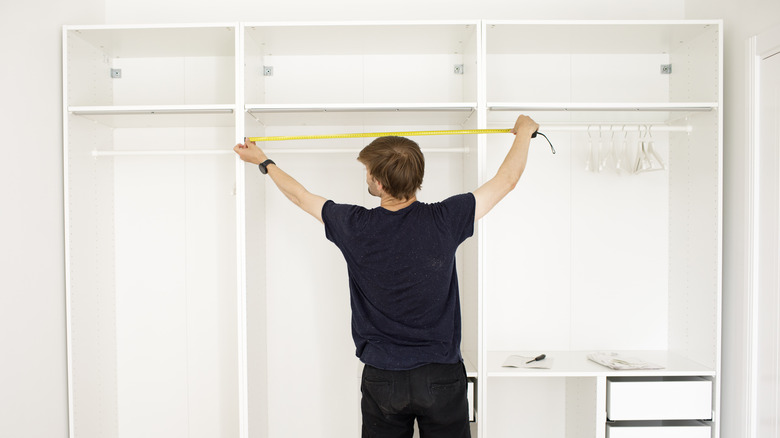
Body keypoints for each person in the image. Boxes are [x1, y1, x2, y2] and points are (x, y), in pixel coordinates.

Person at [234, 114, 539, 438]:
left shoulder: (354, 225)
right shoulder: (446, 218)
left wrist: (264, 162)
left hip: (383, 379)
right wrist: (524, 132)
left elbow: (300, 196)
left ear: (379, 184)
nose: (366, 175)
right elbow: (507, 180)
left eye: (368, 171)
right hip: (441, 377)